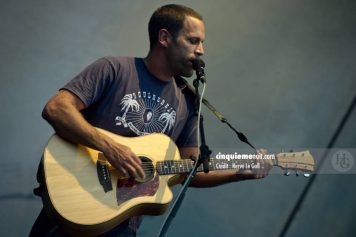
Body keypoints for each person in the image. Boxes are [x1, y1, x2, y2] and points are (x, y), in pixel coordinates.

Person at [30, 4, 271, 237]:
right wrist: (111, 148)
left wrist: (239, 173)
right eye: (193, 40)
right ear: (164, 38)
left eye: (202, 42)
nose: (201, 51)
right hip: (72, 207)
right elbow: (56, 108)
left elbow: (190, 169)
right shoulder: (114, 69)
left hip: (122, 222)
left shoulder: (188, 101)